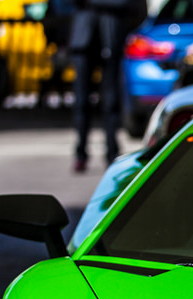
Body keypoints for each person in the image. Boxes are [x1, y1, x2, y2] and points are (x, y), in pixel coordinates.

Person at [69, 0, 146, 173]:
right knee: (81, 102)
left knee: (111, 101)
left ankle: (112, 153)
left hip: (111, 37)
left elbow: (128, 5)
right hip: (84, 39)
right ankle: (80, 153)